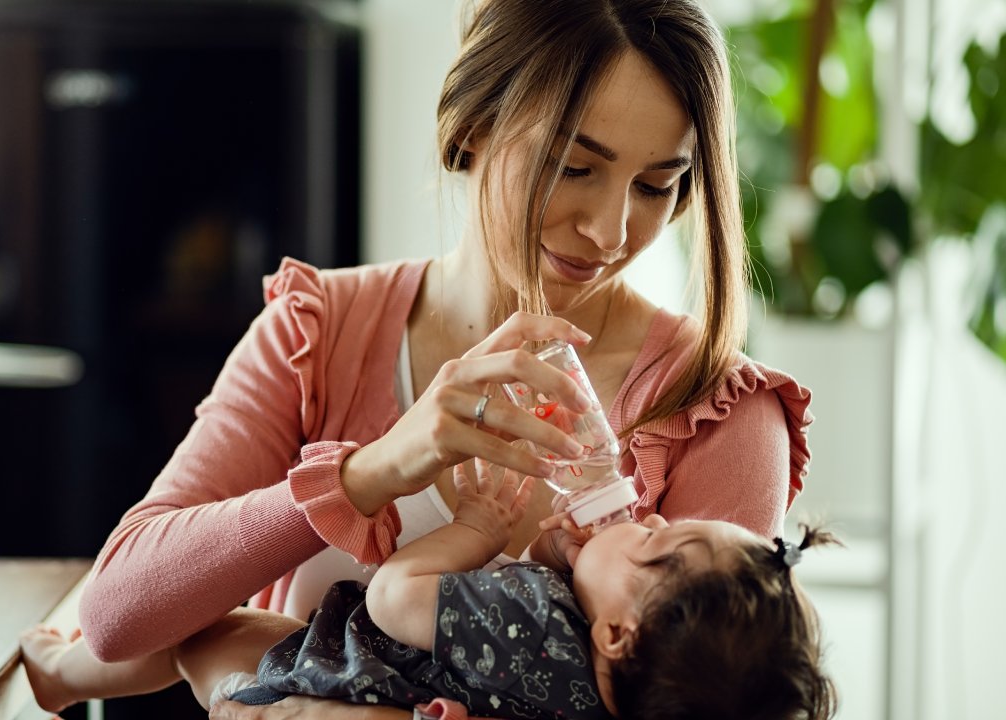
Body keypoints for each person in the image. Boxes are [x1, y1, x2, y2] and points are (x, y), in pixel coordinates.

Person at [76, 0, 815, 716]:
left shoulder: (719, 411)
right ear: (474, 124)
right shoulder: (319, 333)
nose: (610, 229)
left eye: (658, 184)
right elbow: (117, 618)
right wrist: (371, 472)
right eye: (572, 167)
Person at [22, 460, 837, 719]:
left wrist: (482, 531)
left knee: (205, 629)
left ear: (619, 634)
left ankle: (65, 675)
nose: (646, 519)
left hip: (314, 682)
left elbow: (395, 600)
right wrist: (559, 552)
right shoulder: (601, 693)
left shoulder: (531, 617)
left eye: (655, 543)